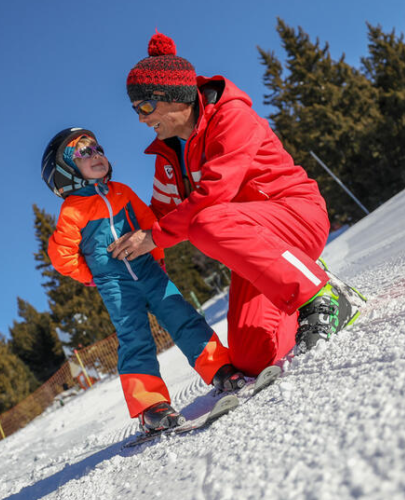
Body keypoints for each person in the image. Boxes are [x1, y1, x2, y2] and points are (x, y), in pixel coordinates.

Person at [109, 31, 366, 388]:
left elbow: (214, 195)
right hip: (253, 248)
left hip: (294, 215)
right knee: (252, 359)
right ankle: (309, 279)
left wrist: (153, 236)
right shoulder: (169, 157)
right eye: (136, 110)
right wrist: (114, 244)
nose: (140, 119)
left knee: (204, 222)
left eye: (145, 107)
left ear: (173, 97)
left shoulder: (231, 117)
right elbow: (159, 216)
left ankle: (320, 295)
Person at [42, 128, 237, 433]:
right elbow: (61, 256)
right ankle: (150, 407)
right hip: (115, 284)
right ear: (65, 171)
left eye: (97, 148)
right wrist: (94, 276)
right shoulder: (72, 211)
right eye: (83, 153)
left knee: (183, 316)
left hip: (149, 270)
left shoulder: (122, 191)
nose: (96, 155)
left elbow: (148, 223)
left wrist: (158, 256)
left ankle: (220, 369)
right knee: (135, 338)